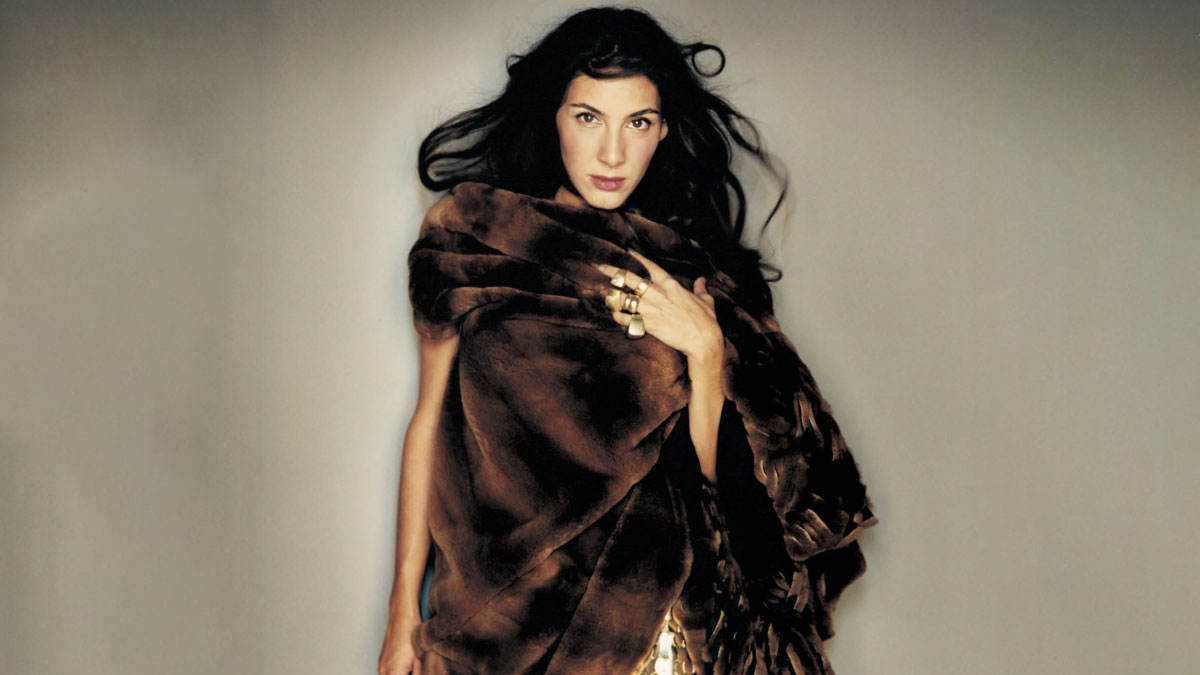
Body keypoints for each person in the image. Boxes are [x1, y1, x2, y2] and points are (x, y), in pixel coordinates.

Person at [379, 7, 876, 675]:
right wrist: (401, 614)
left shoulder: (698, 275)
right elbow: (427, 425)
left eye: (637, 122)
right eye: (589, 117)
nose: (612, 153)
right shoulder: (474, 238)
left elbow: (722, 493)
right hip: (499, 621)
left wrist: (705, 351)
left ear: (663, 129)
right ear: (553, 116)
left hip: (658, 629)